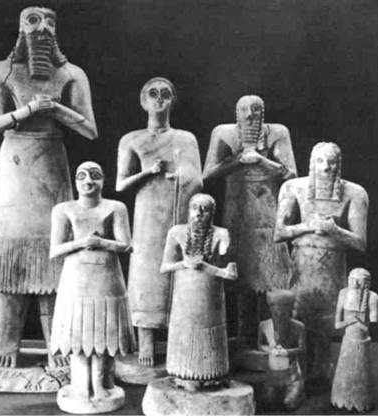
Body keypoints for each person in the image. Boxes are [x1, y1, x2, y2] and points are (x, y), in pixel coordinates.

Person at [0, 6, 97, 368]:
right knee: (9, 255)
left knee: (54, 254)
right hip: (14, 169)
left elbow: (90, 130)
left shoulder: (71, 74)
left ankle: (56, 344)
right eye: (33, 20)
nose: (41, 28)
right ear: (20, 28)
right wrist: (26, 111)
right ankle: (8, 343)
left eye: (49, 22)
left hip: (52, 163)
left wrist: (55, 110)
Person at [116, 77, 202, 366]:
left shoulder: (186, 139)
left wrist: (181, 176)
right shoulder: (131, 140)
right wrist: (148, 172)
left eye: (166, 93)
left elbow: (198, 179)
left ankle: (179, 339)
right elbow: (120, 184)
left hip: (178, 211)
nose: (159, 99)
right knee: (146, 271)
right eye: (153, 94)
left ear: (173, 100)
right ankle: (146, 340)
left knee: (180, 268)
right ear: (143, 101)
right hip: (147, 213)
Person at [203, 95, 296, 345]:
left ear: (262, 113)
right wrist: (237, 160)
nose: (249, 116)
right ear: (237, 113)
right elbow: (208, 174)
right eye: (244, 110)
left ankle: (271, 338)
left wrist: (261, 160)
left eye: (255, 110)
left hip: (267, 209)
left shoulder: (277, 133)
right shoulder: (223, 133)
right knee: (240, 273)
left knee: (272, 276)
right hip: (237, 210)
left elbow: (291, 173)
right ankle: (244, 338)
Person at [274, 142, 368, 383]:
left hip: (333, 267)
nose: (326, 168)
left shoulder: (355, 193)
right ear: (311, 163)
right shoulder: (293, 187)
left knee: (327, 324)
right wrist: (308, 226)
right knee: (297, 320)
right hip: (301, 265)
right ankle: (294, 377)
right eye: (320, 161)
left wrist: (334, 230)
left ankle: (322, 374)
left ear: (339, 165)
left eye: (331, 162)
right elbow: (279, 233)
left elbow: (360, 242)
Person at [50, 162, 135, 407]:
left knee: (104, 333)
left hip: (107, 278)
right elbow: (55, 250)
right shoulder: (63, 209)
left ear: (103, 180)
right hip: (76, 279)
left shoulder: (115, 207)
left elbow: (126, 245)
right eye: (82, 176)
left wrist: (101, 243)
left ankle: (102, 385)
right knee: (78, 333)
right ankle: (81, 387)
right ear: (75, 181)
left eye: (95, 176)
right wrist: (81, 243)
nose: (88, 181)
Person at [160, 193, 237, 387]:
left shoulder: (221, 234)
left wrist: (208, 266)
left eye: (205, 209)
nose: (199, 213)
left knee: (210, 335)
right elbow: (165, 267)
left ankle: (212, 376)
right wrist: (184, 264)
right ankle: (182, 375)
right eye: (195, 208)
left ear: (212, 213)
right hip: (184, 293)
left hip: (210, 294)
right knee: (185, 332)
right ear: (188, 210)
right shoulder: (176, 232)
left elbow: (230, 271)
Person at [331, 268, 378, 412]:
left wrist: (356, 321)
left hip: (362, 342)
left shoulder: (373, 297)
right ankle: (341, 400)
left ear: (367, 283)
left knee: (361, 376)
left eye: (359, 280)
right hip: (347, 342)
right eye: (352, 279)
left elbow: (371, 324)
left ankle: (361, 401)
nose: (355, 284)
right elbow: (337, 325)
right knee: (344, 379)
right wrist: (351, 321)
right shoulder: (343, 293)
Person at [257, 290, 305, 410]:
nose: (278, 317)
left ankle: (297, 391)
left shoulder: (298, 327)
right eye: (275, 314)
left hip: (291, 375)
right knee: (268, 402)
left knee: (289, 403)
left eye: (283, 314)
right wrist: (270, 349)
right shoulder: (264, 325)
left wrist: (286, 352)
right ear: (271, 311)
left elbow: (302, 348)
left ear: (289, 312)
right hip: (273, 374)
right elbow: (260, 345)